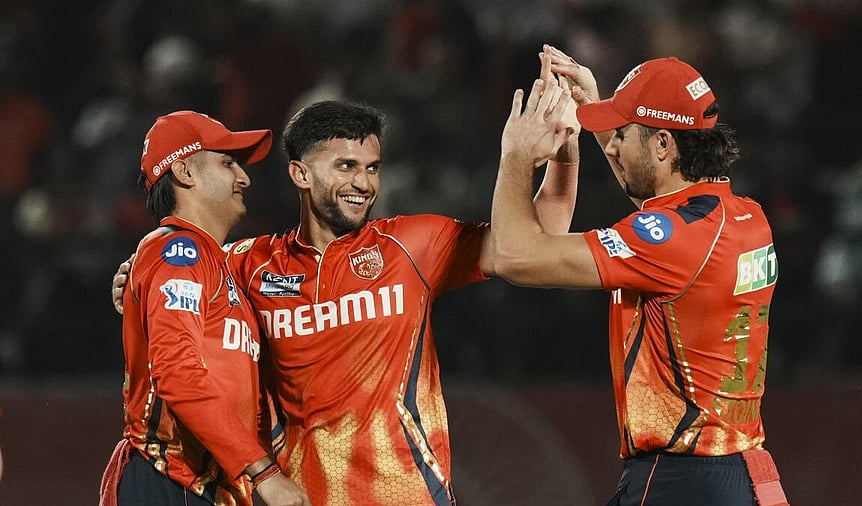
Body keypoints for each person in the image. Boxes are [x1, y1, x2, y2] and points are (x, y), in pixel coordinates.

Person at [112, 55, 580, 505]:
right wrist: (131, 284)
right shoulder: (246, 265)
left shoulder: (411, 245)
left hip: (410, 497)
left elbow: (537, 241)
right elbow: (175, 287)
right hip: (300, 497)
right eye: (346, 167)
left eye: (372, 168)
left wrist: (562, 158)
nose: (364, 183)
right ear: (300, 173)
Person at [491, 45, 789, 506]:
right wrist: (591, 114)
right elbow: (662, 220)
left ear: (664, 144)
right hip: (747, 473)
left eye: (623, 134)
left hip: (682, 481)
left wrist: (514, 154)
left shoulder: (670, 241)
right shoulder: (746, 217)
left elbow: (515, 255)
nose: (611, 145)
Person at [99, 111, 311, 506]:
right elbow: (178, 372)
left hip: (205, 486)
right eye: (228, 162)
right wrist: (263, 472)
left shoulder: (211, 264)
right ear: (185, 171)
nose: (244, 178)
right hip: (169, 477)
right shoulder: (179, 250)